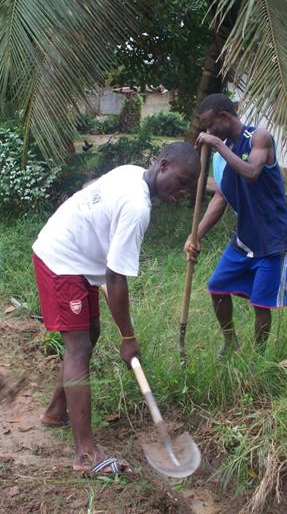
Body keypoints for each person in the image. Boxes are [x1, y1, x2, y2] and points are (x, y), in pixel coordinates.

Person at [32, 142, 200, 476]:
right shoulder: (137, 206)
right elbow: (116, 278)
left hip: (77, 259)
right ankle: (85, 455)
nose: (183, 191)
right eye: (181, 181)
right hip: (62, 258)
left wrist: (123, 331)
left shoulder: (131, 173)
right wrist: (128, 338)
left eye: (189, 188)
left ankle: (55, 411)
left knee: (89, 334)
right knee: (78, 346)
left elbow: (90, 197)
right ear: (163, 165)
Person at [185, 94, 287, 356]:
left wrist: (216, 143)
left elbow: (251, 172)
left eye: (210, 125)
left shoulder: (259, 138)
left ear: (225, 117)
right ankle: (230, 340)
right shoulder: (220, 156)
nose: (207, 132)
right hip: (244, 238)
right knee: (217, 287)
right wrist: (195, 235)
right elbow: (222, 197)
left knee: (260, 305)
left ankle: (258, 357)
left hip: (272, 240)